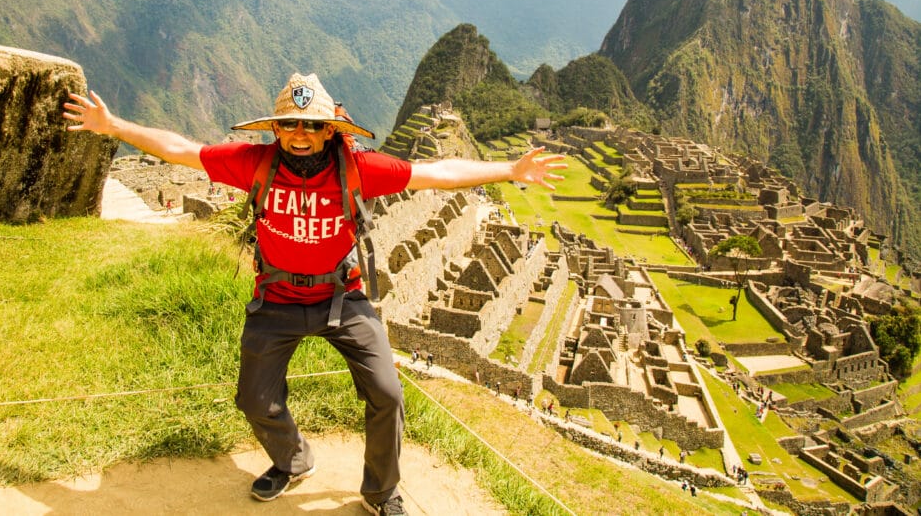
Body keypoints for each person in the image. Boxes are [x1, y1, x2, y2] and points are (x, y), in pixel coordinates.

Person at [63, 72, 566, 516]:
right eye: (289, 125)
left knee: (387, 394)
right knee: (254, 400)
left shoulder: (357, 170)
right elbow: (181, 150)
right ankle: (293, 459)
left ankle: (380, 490)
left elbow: (437, 174)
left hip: (342, 298)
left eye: (310, 125)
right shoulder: (252, 163)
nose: (299, 136)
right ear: (274, 128)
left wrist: (509, 170)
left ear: (330, 130)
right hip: (276, 298)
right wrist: (115, 126)